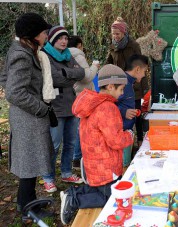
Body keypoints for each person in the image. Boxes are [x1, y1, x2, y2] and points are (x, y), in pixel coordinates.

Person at [59, 64, 134, 225]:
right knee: (109, 197)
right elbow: (115, 141)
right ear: (111, 86)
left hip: (93, 162)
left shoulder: (93, 103)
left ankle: (70, 194)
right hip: (106, 164)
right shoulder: (108, 108)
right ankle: (74, 199)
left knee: (100, 189)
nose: (122, 94)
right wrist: (129, 135)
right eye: (121, 89)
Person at [0, 13, 54, 218]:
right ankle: (27, 209)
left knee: (30, 164)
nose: (47, 35)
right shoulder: (22, 55)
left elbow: (5, 79)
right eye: (44, 32)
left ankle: (29, 206)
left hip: (27, 116)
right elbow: (14, 92)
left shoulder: (24, 51)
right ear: (33, 35)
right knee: (29, 165)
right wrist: (39, 107)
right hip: (29, 117)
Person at [42, 26, 85, 192]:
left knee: (70, 142)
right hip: (56, 107)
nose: (64, 41)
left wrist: (66, 74)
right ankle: (48, 178)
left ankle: (66, 172)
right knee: (53, 144)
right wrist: (69, 74)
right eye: (60, 38)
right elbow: (53, 77)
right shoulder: (46, 55)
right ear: (52, 39)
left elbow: (81, 73)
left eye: (66, 38)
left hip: (72, 105)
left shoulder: (68, 55)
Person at [106, 16, 148, 147]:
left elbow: (140, 64)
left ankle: (139, 139)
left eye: (117, 34)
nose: (115, 36)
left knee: (136, 113)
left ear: (124, 33)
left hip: (134, 84)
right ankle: (124, 140)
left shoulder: (133, 45)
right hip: (118, 83)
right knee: (122, 112)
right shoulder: (113, 46)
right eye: (113, 34)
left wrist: (142, 86)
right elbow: (109, 62)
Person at [68, 35, 100, 169]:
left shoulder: (65, 55)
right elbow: (87, 77)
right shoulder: (78, 55)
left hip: (73, 93)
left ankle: (75, 158)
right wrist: (95, 66)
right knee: (82, 127)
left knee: (76, 126)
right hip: (83, 95)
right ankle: (78, 157)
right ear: (79, 44)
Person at [117, 54, 149, 166]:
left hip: (127, 130)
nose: (144, 75)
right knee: (122, 165)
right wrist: (123, 112)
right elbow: (108, 104)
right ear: (137, 69)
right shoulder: (123, 84)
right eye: (144, 71)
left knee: (124, 163)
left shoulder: (129, 83)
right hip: (119, 132)